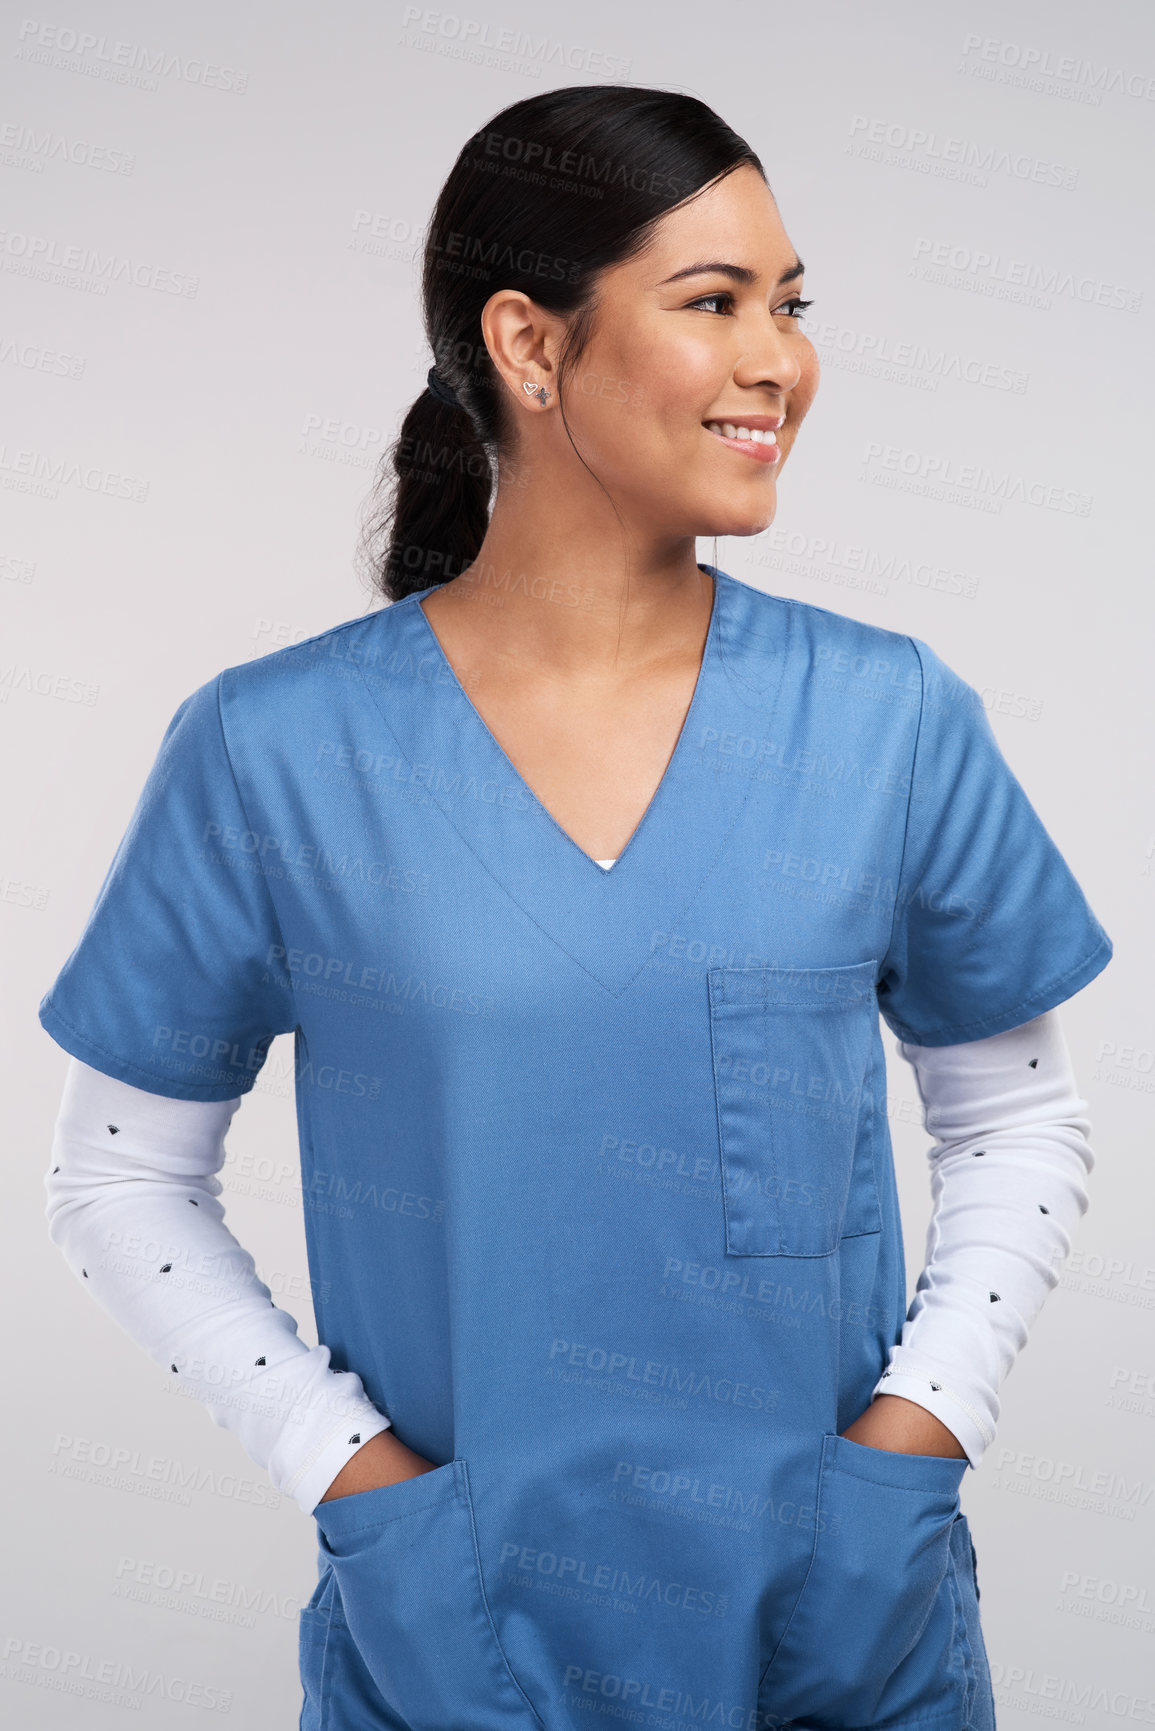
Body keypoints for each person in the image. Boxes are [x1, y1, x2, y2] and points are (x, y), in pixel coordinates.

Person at [41, 85, 1112, 1731]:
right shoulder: (277, 752)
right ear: (531, 349)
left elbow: (1018, 1120)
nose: (781, 362)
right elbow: (119, 1178)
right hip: (465, 1640)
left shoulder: (886, 719)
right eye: (714, 304)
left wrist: (909, 1453)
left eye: (792, 303)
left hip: (838, 1626)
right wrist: (357, 1477)